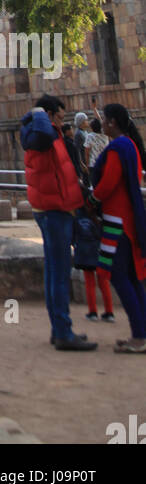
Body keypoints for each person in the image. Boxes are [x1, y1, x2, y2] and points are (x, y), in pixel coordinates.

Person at [20, 93, 96, 351]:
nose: (63, 123)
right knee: (60, 273)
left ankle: (59, 329)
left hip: (54, 208)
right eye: (60, 117)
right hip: (54, 210)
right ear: (50, 115)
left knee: (55, 271)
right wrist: (39, 113)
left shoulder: (44, 134)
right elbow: (44, 134)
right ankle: (63, 331)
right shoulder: (40, 132)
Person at [91, 103, 146, 354]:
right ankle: (140, 333)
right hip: (128, 221)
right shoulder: (130, 146)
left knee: (119, 277)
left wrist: (92, 197)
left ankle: (138, 336)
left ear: (112, 122)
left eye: (104, 119)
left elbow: (108, 184)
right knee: (132, 278)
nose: (101, 123)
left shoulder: (117, 148)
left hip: (117, 222)